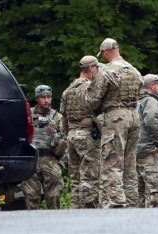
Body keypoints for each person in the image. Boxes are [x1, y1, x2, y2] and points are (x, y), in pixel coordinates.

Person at [86, 38, 143, 208]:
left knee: (113, 163)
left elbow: (92, 100)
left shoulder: (107, 71)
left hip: (116, 118)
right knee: (130, 163)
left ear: (106, 52)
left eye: (103, 54)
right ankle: (132, 203)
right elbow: (140, 89)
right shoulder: (134, 70)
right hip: (133, 116)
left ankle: (117, 204)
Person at [60, 55, 103, 209]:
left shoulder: (68, 91)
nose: (98, 72)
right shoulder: (89, 89)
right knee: (90, 177)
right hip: (86, 137)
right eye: (97, 68)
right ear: (92, 69)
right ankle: (90, 212)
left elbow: (63, 118)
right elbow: (98, 114)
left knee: (76, 179)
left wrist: (67, 136)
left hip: (71, 135)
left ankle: (76, 211)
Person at [22, 85, 65, 209]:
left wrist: (59, 148)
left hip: (50, 160)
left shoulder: (57, 117)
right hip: (32, 160)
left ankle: (55, 223)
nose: (46, 100)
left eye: (48, 97)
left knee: (54, 197)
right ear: (37, 99)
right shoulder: (28, 115)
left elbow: (65, 140)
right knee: (31, 197)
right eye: (43, 97)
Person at [136, 74, 158, 208]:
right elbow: (151, 121)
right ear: (151, 86)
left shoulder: (134, 102)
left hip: (135, 151)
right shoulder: (150, 101)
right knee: (155, 192)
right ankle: (152, 223)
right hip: (149, 151)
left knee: (139, 193)